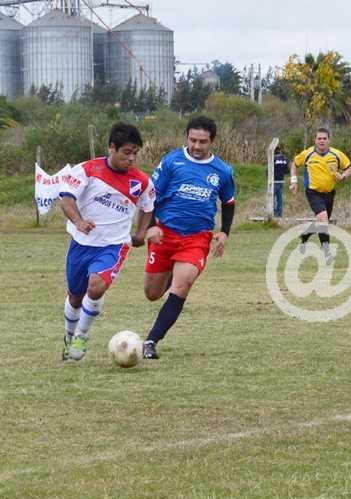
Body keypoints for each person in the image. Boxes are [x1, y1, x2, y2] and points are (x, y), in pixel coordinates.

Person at [141, 116, 236, 360]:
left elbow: (228, 202)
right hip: (164, 234)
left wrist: (224, 231)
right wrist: (150, 227)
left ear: (212, 141)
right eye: (192, 140)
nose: (196, 146)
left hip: (197, 238)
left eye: (202, 142)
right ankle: (170, 273)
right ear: (186, 137)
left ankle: (151, 341)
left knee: (182, 286)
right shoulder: (172, 161)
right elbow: (149, 196)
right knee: (152, 293)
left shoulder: (222, 171)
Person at [59, 122, 154, 362]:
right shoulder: (87, 170)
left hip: (114, 245)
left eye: (135, 153)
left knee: (96, 286)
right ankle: (69, 337)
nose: (131, 158)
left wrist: (141, 233)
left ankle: (82, 335)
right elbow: (66, 200)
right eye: (127, 152)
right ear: (112, 147)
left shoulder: (142, 181)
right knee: (75, 296)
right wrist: (79, 222)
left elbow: (148, 207)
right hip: (81, 244)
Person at [289, 127, 351, 262]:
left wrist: (343, 176)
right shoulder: (308, 153)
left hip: (329, 193)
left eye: (324, 138)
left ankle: (305, 234)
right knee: (323, 220)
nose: (322, 141)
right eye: (319, 138)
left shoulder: (336, 154)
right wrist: (293, 181)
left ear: (329, 140)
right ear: (315, 140)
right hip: (313, 192)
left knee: (322, 222)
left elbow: (349, 167)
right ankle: (327, 253)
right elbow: (294, 164)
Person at [270, 145, 289, 217]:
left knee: (271, 198)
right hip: (281, 181)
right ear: (280, 151)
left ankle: (273, 213)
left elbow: (269, 170)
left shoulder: (272, 158)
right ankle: (279, 213)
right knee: (279, 198)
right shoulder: (284, 158)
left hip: (273, 181)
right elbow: (287, 171)